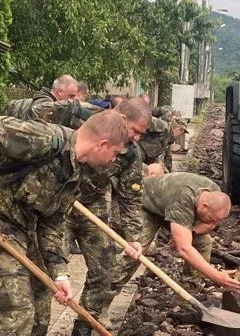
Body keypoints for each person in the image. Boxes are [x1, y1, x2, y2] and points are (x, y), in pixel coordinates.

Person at [0, 110, 129, 336]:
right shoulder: (46, 139)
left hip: (22, 228)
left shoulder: (76, 171)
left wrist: (59, 274)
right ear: (102, 144)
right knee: (16, 313)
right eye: (115, 152)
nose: (114, 160)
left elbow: (52, 221)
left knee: (41, 300)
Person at [101, 173, 240, 319]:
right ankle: (101, 304)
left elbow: (206, 226)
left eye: (217, 222)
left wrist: (186, 234)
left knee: (204, 242)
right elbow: (184, 250)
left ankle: (185, 298)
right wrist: (216, 276)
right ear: (204, 206)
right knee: (135, 253)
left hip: (172, 208)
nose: (213, 225)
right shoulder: (183, 198)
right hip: (148, 205)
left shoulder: (214, 194)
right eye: (211, 220)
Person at [68, 98, 151, 336]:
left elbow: (130, 196)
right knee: (49, 267)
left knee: (104, 269)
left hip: (92, 207)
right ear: (123, 119)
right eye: (136, 130)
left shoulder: (131, 153)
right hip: (56, 206)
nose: (136, 137)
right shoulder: (80, 120)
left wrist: (134, 237)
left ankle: (83, 327)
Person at [2, 74, 79, 120]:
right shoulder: (49, 108)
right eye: (71, 96)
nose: (72, 100)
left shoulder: (35, 101)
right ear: (59, 92)